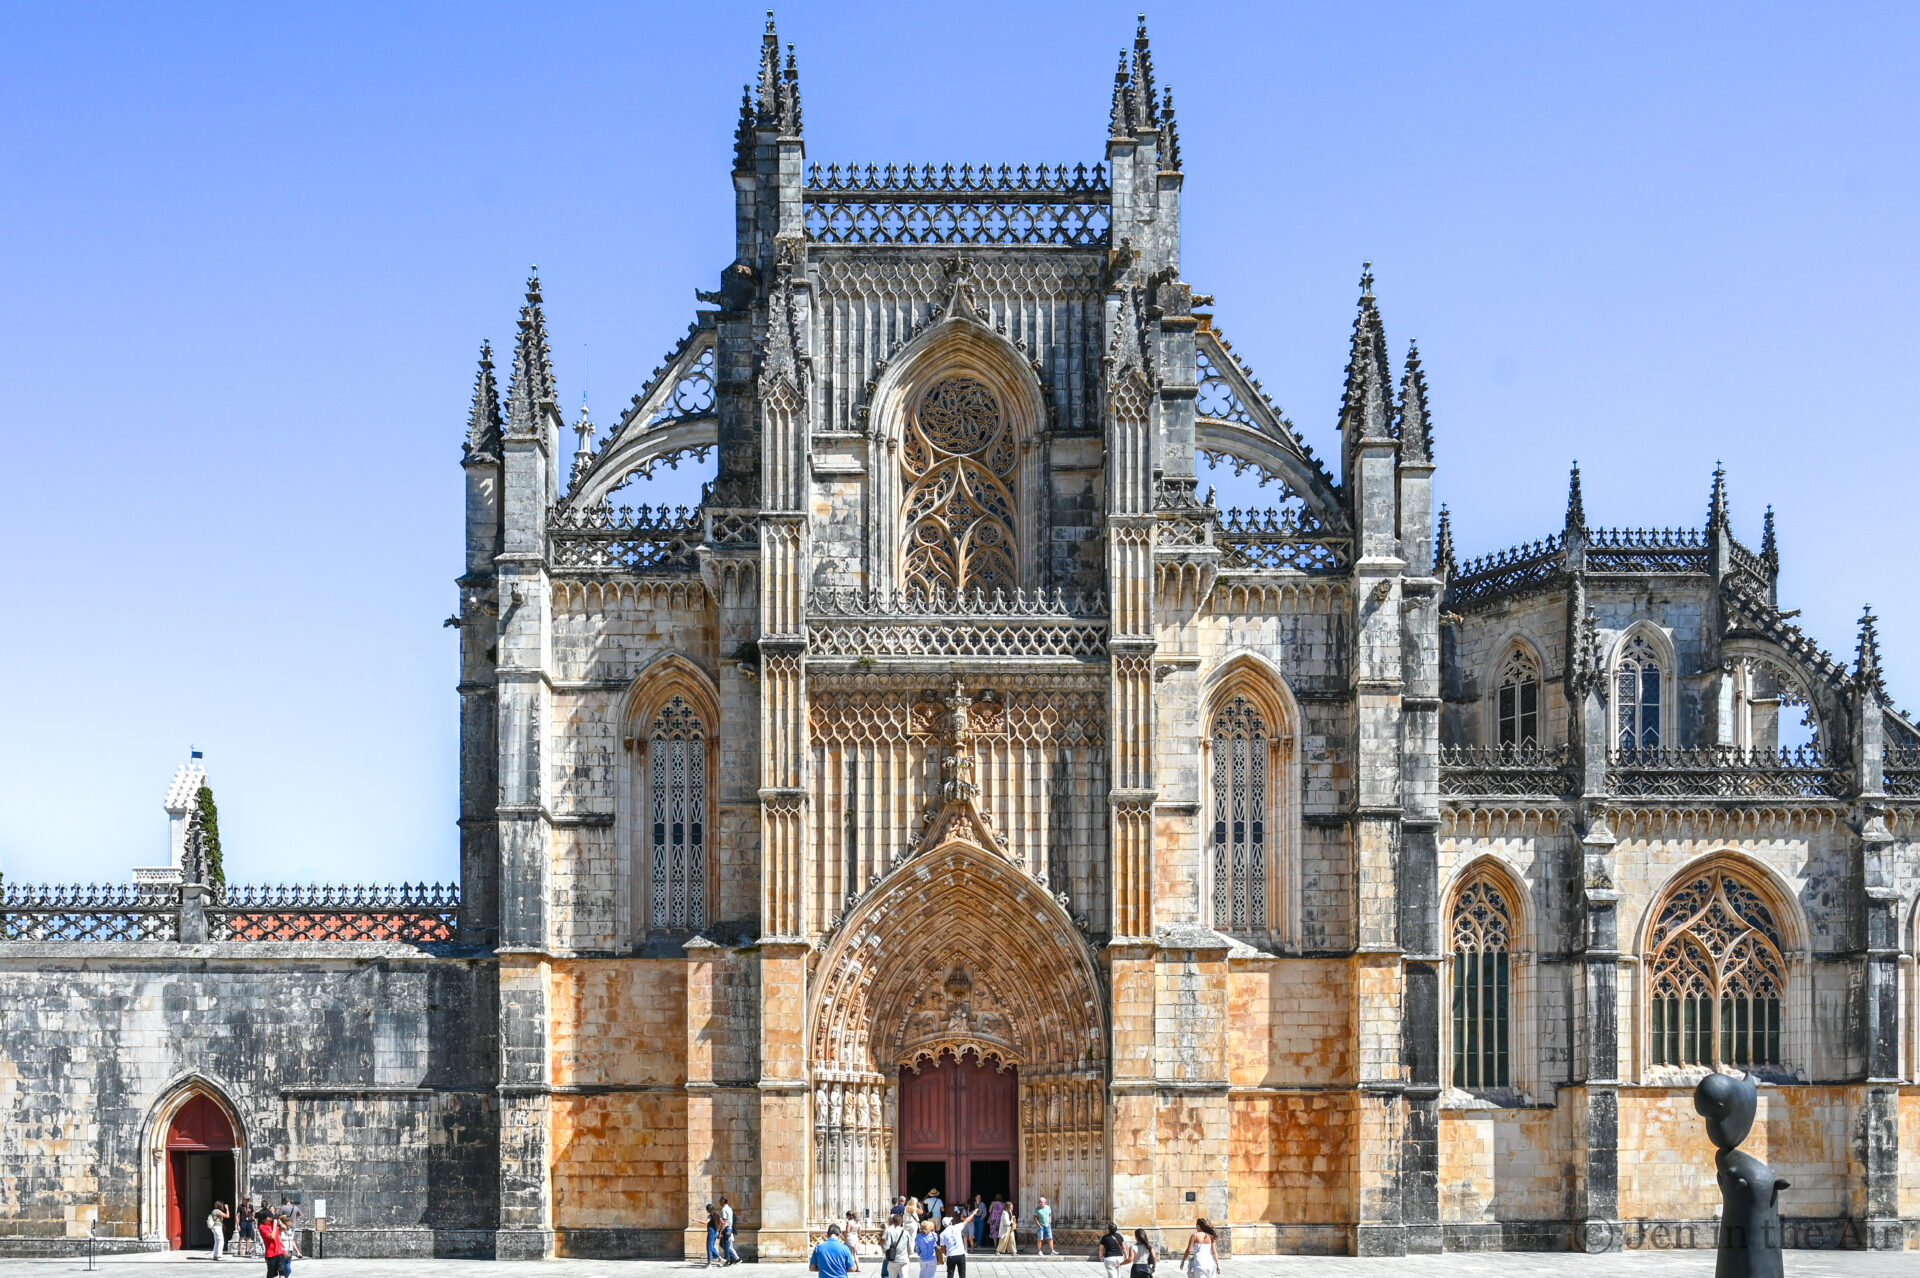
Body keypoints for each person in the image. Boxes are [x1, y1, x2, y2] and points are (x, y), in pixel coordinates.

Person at [938, 1209, 975, 1278]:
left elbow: (942, 1248)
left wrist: (946, 1253)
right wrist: (973, 1213)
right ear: (950, 1222)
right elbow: (967, 1220)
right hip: (960, 1254)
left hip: (951, 1255)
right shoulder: (957, 1227)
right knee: (962, 1274)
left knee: (950, 1274)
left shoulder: (942, 1234)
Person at [882, 1210, 914, 1278]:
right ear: (901, 1221)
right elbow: (910, 1248)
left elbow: (887, 1246)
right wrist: (907, 1255)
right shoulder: (906, 1233)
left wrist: (883, 1248)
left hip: (894, 1260)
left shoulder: (890, 1232)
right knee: (904, 1276)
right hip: (904, 1259)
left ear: (893, 1222)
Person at [258, 1212, 289, 1278]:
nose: (272, 1219)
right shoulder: (262, 1227)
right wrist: (275, 1225)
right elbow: (272, 1236)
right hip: (271, 1254)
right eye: (270, 1217)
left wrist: (280, 1222)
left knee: (282, 1272)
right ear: (266, 1218)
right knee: (271, 1274)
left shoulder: (272, 1225)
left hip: (280, 1252)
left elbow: (284, 1228)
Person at [720, 1196, 740, 1265]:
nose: (719, 1202)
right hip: (729, 1228)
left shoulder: (724, 1210)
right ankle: (734, 1258)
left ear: (723, 1201)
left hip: (726, 1228)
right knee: (725, 1244)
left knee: (726, 1245)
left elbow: (724, 1221)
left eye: (720, 1200)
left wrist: (720, 1232)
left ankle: (729, 1260)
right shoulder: (729, 1208)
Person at [705, 1203, 722, 1267]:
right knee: (712, 1246)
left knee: (709, 1247)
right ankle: (719, 1257)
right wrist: (719, 1231)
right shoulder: (717, 1215)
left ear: (708, 1210)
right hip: (716, 1232)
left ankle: (709, 1262)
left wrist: (696, 1220)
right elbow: (722, 1222)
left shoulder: (710, 1216)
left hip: (711, 1232)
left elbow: (705, 1222)